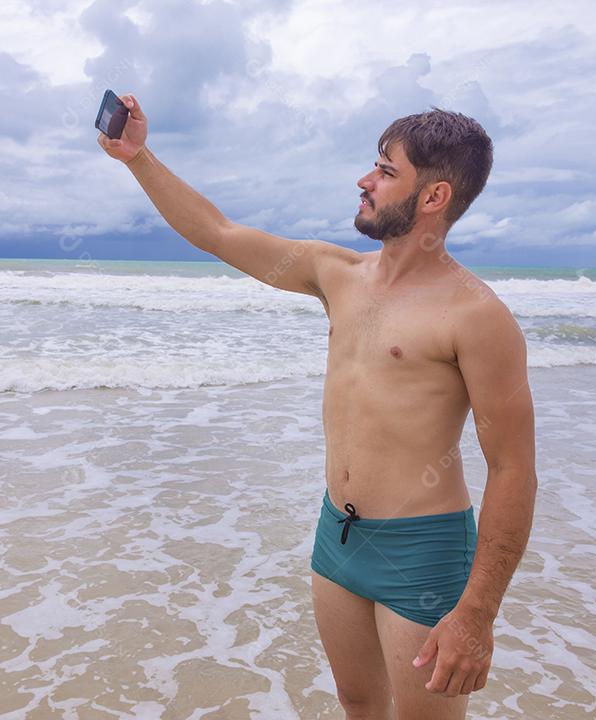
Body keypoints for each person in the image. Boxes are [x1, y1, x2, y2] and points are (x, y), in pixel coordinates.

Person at [99, 94, 537, 720]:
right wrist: (138, 158)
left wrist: (476, 614)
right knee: (358, 704)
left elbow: (513, 469)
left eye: (386, 172)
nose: (365, 181)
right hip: (338, 535)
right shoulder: (337, 274)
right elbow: (216, 233)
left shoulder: (476, 316)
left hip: (422, 551)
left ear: (434, 198)